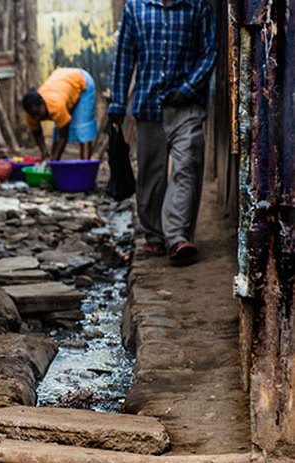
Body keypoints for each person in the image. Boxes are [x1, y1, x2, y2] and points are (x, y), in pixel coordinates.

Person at [108, 0, 216, 265]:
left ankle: (177, 237)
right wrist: (118, 103)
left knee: (187, 165)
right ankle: (155, 235)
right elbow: (124, 56)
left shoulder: (197, 6)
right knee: (151, 175)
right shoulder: (136, 7)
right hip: (148, 104)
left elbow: (210, 51)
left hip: (186, 106)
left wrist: (189, 88)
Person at [22, 67, 99, 160]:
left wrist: (54, 161)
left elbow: (63, 136)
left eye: (37, 113)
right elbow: (37, 133)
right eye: (33, 115)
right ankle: (55, 167)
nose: (36, 117)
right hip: (62, 81)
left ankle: (85, 168)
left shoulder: (56, 106)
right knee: (57, 134)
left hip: (81, 80)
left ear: (42, 104)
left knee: (82, 129)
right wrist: (44, 151)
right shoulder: (29, 114)